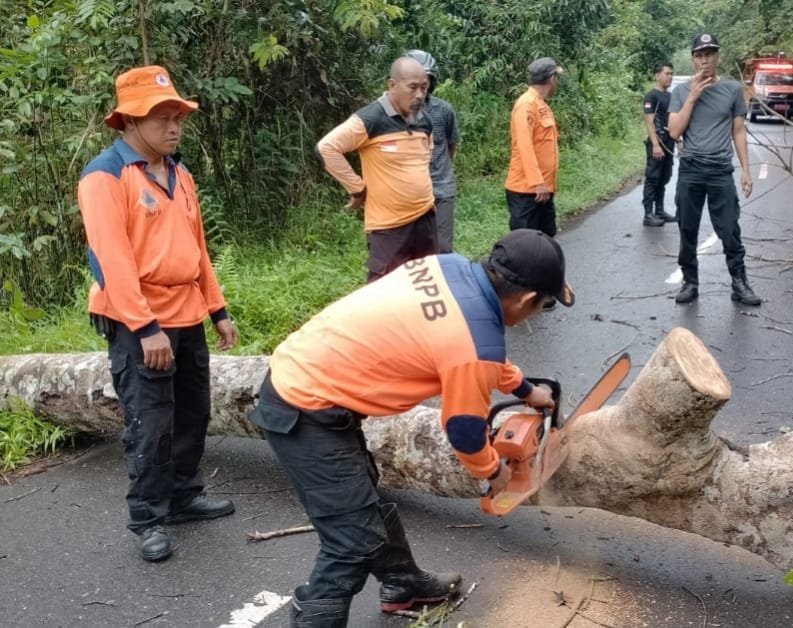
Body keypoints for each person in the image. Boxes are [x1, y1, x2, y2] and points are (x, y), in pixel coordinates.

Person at [248, 229, 571, 627]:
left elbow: (468, 346)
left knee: (363, 498)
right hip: (304, 405)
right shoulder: (474, 346)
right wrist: (494, 471)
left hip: (309, 378)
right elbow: (466, 433)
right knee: (352, 543)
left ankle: (403, 583)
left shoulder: (448, 267)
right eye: (544, 304)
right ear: (525, 299)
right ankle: (316, 614)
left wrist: (524, 389)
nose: (537, 312)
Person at [78, 65, 239, 562]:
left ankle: (184, 496)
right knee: (151, 421)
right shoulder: (105, 175)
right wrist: (145, 327)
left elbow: (197, 248)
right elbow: (110, 259)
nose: (174, 127)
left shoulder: (180, 173)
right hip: (138, 319)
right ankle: (148, 516)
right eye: (162, 118)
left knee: (194, 410)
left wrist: (218, 309)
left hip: (187, 310)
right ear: (129, 121)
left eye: (178, 117)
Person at [317, 57, 437, 281]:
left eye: (424, 87)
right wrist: (358, 189)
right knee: (386, 292)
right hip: (389, 227)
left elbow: (425, 158)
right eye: (413, 87)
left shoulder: (424, 121)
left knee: (426, 288)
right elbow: (328, 147)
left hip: (425, 218)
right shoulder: (371, 119)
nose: (420, 94)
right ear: (392, 85)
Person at [667, 33, 761, 306]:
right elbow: (674, 131)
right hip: (691, 170)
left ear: (718, 56)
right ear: (693, 58)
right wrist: (694, 96)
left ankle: (739, 283)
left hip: (721, 171)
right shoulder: (681, 92)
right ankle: (690, 281)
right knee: (687, 228)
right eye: (699, 55)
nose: (705, 59)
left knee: (730, 228)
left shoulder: (732, 90)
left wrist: (746, 170)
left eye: (709, 54)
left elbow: (739, 132)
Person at [404, 50, 461, 254]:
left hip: (441, 188)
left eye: (425, 82)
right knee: (415, 248)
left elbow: (450, 144)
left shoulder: (443, 110)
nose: (420, 89)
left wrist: (441, 168)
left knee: (443, 247)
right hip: (411, 190)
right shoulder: (395, 113)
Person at [505, 57, 564, 237]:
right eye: (556, 78)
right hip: (528, 191)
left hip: (543, 189)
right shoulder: (526, 104)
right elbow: (524, 145)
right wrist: (537, 182)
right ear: (551, 79)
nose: (557, 82)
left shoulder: (541, 104)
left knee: (545, 240)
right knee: (526, 244)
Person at [642, 62, 677, 227]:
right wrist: (655, 145)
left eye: (671, 74)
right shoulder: (651, 96)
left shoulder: (669, 96)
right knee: (653, 178)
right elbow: (649, 122)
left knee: (664, 177)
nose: (669, 77)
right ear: (657, 75)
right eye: (666, 74)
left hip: (669, 142)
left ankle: (660, 210)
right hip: (657, 142)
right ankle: (648, 214)